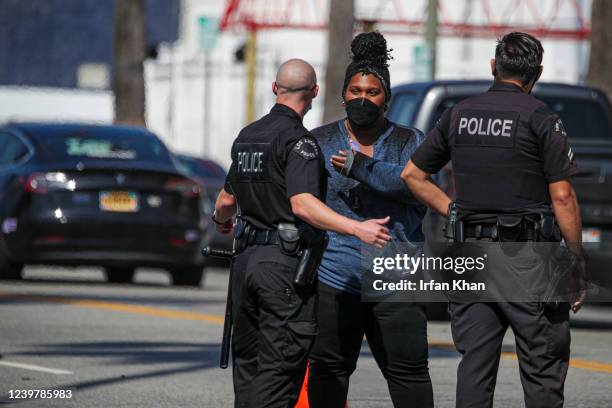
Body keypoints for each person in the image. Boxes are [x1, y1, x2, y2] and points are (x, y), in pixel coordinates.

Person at [401, 32, 585, 408]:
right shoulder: (541, 119)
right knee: (543, 368)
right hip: (530, 259)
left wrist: (453, 210)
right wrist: (576, 260)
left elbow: (412, 175)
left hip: (471, 255)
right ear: (537, 73)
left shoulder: (458, 114)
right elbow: (563, 196)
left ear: (493, 67)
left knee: (475, 366)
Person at [213, 58, 392, 408]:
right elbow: (302, 204)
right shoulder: (300, 143)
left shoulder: (248, 136)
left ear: (274, 89)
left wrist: (222, 222)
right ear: (315, 92)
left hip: (245, 263)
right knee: (279, 369)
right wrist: (357, 227)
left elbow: (224, 202)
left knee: (248, 365)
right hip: (282, 266)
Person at [306, 32, 434, 408]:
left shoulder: (411, 141)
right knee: (328, 368)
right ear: (342, 94)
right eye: (355, 91)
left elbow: (418, 188)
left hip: (398, 277)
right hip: (335, 276)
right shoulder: (319, 141)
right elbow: (302, 201)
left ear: (387, 98)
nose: (363, 99)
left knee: (409, 373)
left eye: (373, 92)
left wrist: (363, 167)